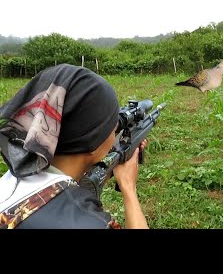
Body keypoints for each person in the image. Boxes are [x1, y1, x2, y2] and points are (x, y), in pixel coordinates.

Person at [0, 64, 149, 229]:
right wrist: (129, 188)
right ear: (92, 140)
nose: (115, 132)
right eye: (112, 127)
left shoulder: (17, 176)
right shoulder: (92, 223)